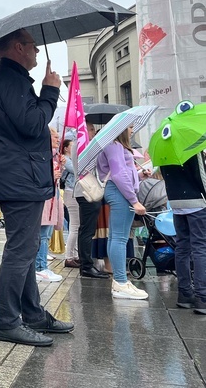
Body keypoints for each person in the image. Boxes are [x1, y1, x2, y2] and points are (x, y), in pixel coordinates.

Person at [0, 28, 73, 347]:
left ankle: (32, 314)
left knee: (27, 246)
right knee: (21, 249)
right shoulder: (10, 80)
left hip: (18, 175)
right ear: (18, 48)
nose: (36, 52)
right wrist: (49, 91)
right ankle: (6, 321)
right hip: (18, 177)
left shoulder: (9, 79)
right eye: (32, 47)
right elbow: (33, 125)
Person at [96, 125, 148, 300]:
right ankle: (120, 281)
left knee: (115, 237)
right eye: (130, 127)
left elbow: (120, 172)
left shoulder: (113, 145)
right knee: (119, 238)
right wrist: (134, 200)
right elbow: (118, 174)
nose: (132, 130)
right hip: (120, 193)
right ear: (122, 129)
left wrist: (140, 176)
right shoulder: (114, 145)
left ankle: (120, 281)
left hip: (117, 191)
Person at [161, 151, 206, 314]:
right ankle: (203, 296)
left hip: (176, 202)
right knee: (200, 247)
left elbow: (165, 175)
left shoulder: (164, 145)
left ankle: (185, 293)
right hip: (197, 201)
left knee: (182, 247)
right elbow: (201, 176)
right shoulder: (192, 145)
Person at [74, 123, 110, 279]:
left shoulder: (81, 145)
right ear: (85, 130)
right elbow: (89, 166)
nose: (94, 133)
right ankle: (87, 266)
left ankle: (86, 265)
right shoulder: (82, 146)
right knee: (87, 230)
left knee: (85, 229)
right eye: (92, 130)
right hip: (87, 191)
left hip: (85, 190)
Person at [35, 128, 64, 282]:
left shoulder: (53, 157)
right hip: (46, 200)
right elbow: (41, 176)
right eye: (55, 136)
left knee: (44, 234)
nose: (58, 139)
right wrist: (53, 174)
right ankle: (40, 267)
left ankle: (40, 266)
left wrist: (60, 167)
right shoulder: (43, 156)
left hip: (52, 198)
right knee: (43, 235)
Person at [61, 139, 81, 268]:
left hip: (74, 192)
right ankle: (69, 257)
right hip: (70, 192)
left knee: (76, 226)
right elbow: (76, 170)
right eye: (72, 146)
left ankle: (74, 255)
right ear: (66, 148)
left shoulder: (69, 159)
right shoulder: (65, 160)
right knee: (74, 225)